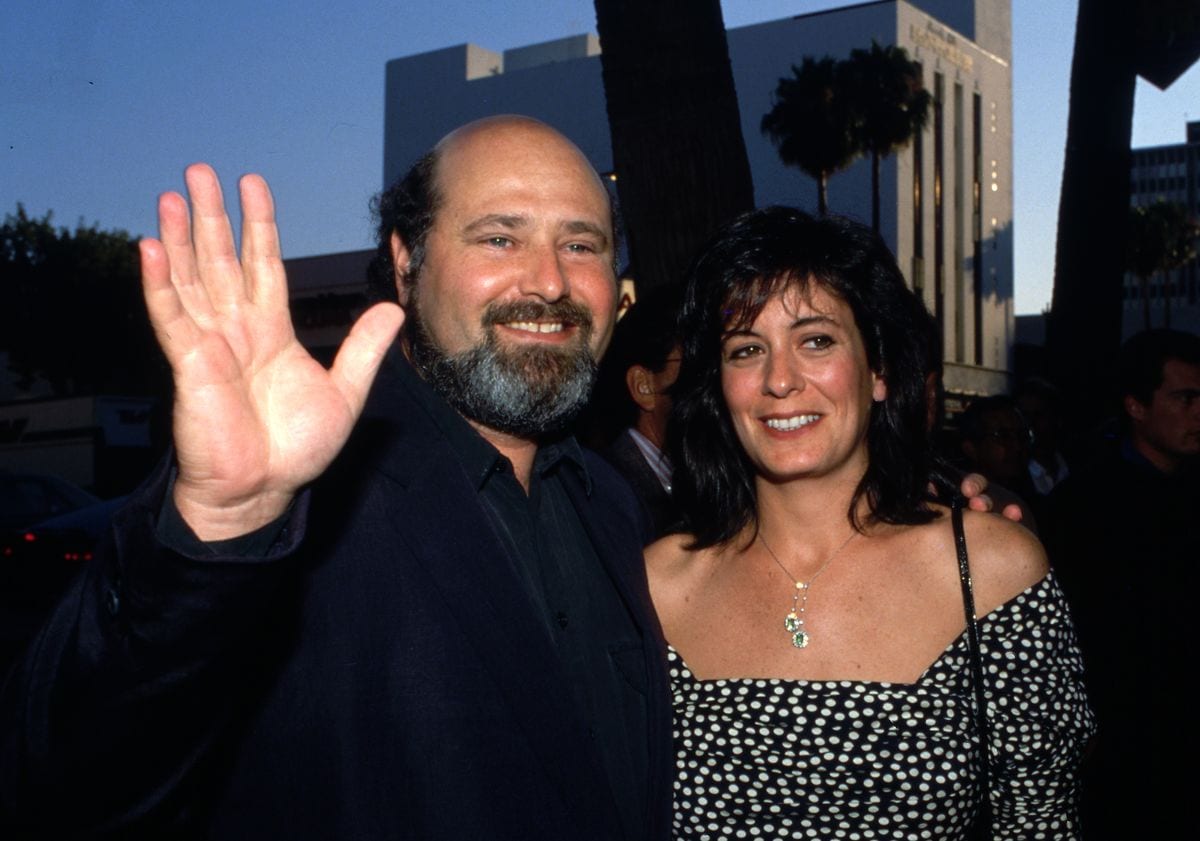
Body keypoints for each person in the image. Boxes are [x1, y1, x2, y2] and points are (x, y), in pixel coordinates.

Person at [0, 116, 674, 840]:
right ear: (407, 263)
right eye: (499, 238)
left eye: (581, 244)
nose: (549, 281)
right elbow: (58, 783)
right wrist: (222, 525)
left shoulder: (609, 503)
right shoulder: (299, 498)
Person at [645, 208, 1094, 839]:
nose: (779, 380)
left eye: (817, 340)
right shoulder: (654, 587)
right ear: (719, 386)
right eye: (746, 350)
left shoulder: (993, 575)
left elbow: (1040, 825)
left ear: (879, 370)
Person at [1045, 328, 1200, 839]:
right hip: (1127, 744)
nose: (1198, 412)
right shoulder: (1083, 505)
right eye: (1184, 398)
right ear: (1136, 406)